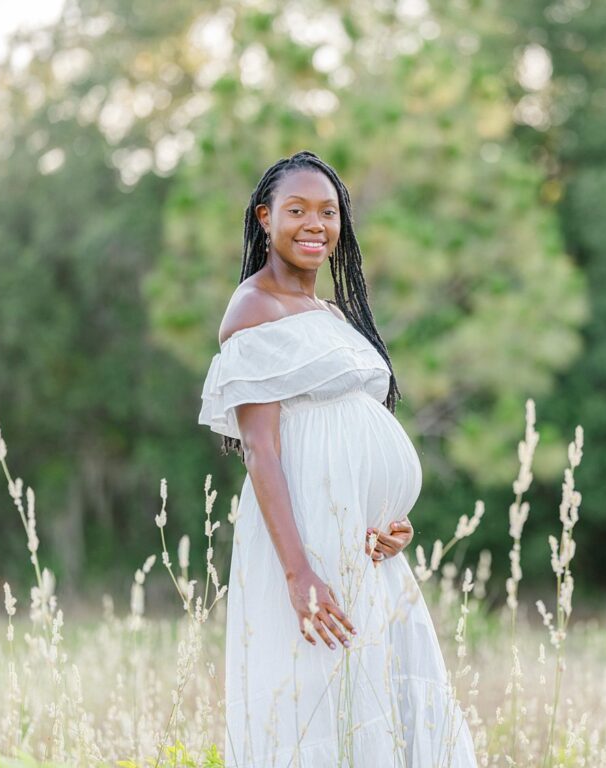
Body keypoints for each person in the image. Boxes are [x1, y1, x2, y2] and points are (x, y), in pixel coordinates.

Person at [198, 150, 478, 767]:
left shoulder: (332, 314)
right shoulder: (254, 308)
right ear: (264, 218)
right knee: (320, 698)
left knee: (381, 695)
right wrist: (298, 573)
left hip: (363, 547)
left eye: (328, 212)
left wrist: (391, 520)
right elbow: (263, 451)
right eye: (296, 210)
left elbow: (356, 430)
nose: (314, 224)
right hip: (306, 543)